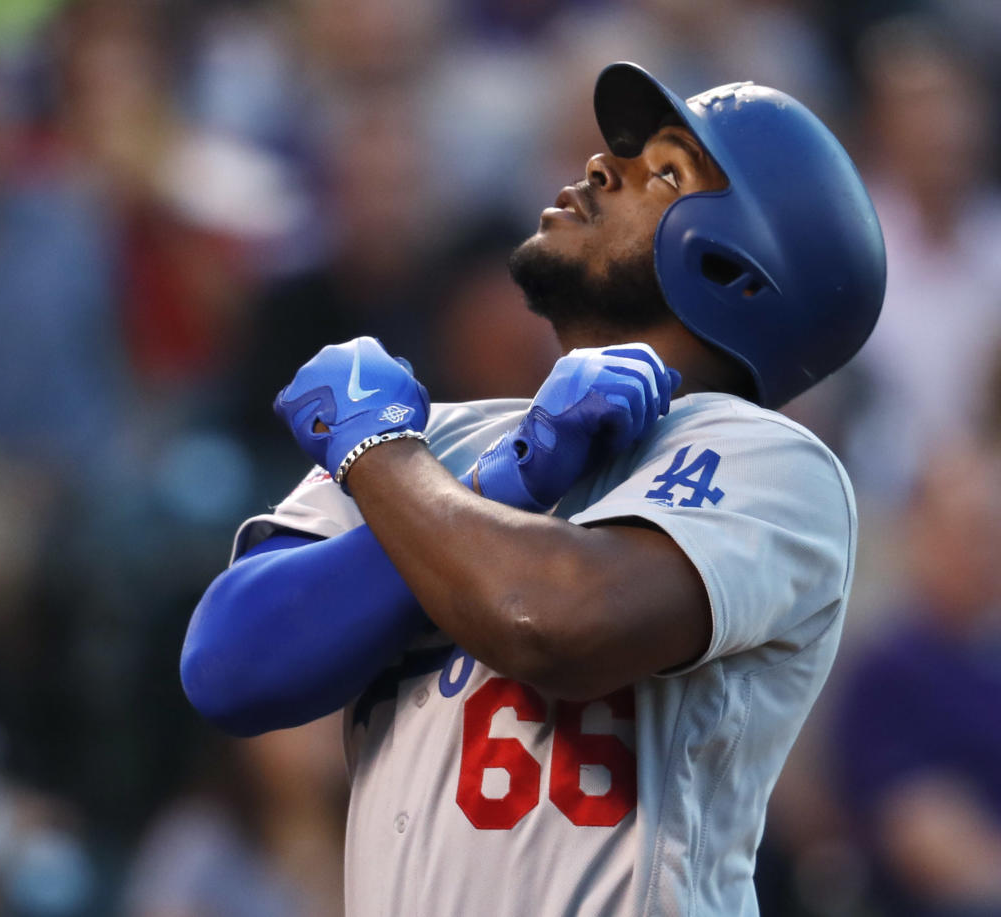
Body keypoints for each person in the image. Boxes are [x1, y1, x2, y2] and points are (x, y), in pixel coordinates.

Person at [182, 62, 885, 915]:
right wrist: (499, 478)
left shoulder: (773, 464)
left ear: (736, 271)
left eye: (663, 172)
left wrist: (376, 453)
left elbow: (551, 621)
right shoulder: (437, 437)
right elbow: (229, 667)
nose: (601, 166)